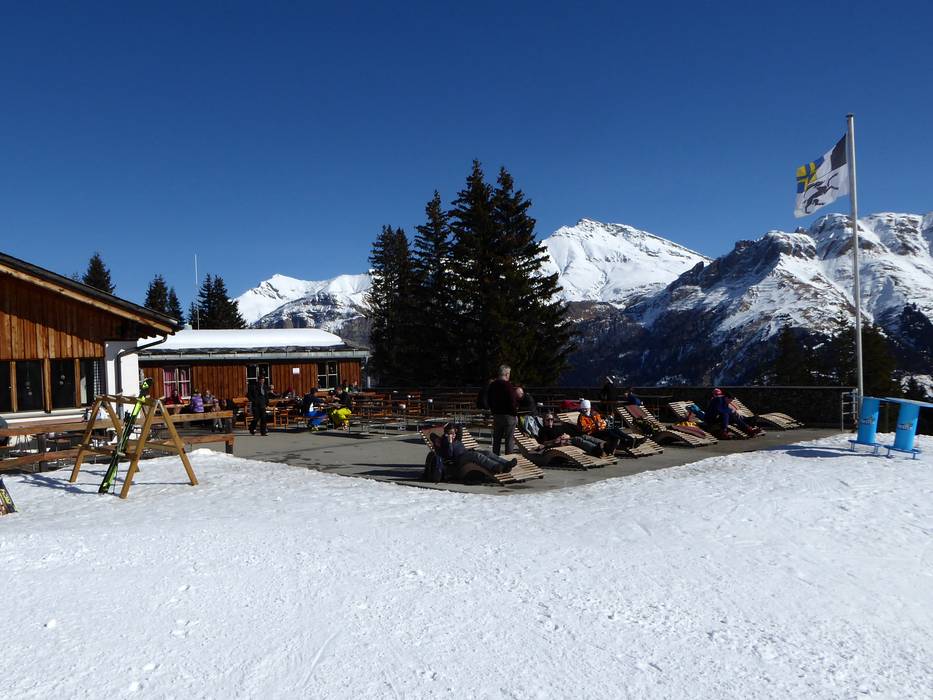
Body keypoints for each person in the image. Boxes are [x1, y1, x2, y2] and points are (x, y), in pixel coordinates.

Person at [430, 424, 516, 481]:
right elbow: (449, 455)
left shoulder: (456, 438)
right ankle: (495, 467)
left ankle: (506, 464)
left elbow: (460, 428)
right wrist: (449, 443)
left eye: (454, 432)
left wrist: (454, 427)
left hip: (466, 453)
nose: (454, 434)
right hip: (459, 459)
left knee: (487, 453)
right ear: (447, 434)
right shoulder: (445, 442)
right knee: (477, 456)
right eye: (452, 433)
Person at [578, 399, 645, 453]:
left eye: (586, 408)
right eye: (584, 409)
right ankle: (626, 441)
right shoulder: (582, 417)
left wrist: (603, 423)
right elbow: (583, 428)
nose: (585, 410)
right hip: (592, 432)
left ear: (589, 408)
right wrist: (595, 425)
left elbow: (600, 422)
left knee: (614, 428)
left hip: (601, 429)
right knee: (609, 432)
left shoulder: (595, 413)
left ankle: (631, 439)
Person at [487, 365, 518, 455]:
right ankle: (508, 460)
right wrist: (515, 414)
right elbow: (512, 401)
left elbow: (489, 399)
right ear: (507, 374)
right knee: (509, 440)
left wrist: (493, 411)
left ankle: (494, 458)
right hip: (508, 416)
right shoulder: (508, 385)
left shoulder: (492, 385)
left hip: (497, 415)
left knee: (497, 440)